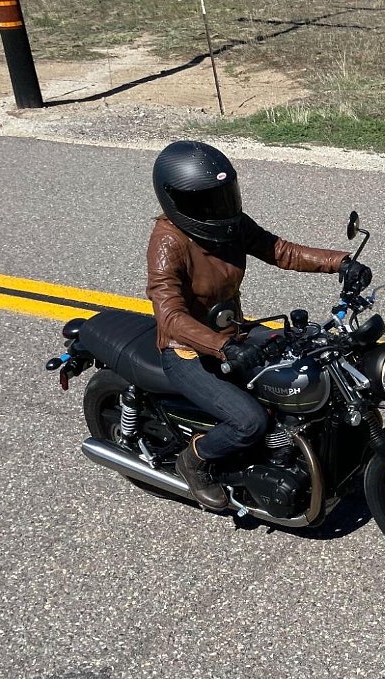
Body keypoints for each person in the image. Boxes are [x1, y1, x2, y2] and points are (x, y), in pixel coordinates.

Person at [147, 140, 371, 511]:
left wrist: (341, 263)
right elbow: (169, 316)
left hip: (234, 333)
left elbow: (280, 250)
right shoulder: (168, 241)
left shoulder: (229, 224)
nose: (219, 205)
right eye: (208, 199)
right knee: (249, 422)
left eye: (223, 194)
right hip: (188, 350)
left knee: (315, 356)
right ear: (177, 201)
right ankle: (195, 460)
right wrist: (224, 347)